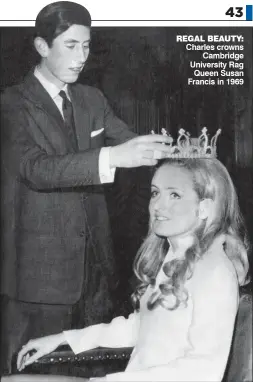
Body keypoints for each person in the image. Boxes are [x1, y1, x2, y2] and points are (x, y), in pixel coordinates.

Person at [0, 1, 173, 374]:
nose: (82, 57)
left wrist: (178, 152)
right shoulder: (12, 104)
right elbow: (36, 169)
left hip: (96, 272)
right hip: (39, 281)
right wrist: (111, 157)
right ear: (42, 47)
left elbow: (131, 142)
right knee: (37, 371)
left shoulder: (92, 99)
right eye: (71, 46)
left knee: (87, 369)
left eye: (87, 46)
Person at [16, 145, 250, 381]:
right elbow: (140, 329)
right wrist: (63, 339)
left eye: (174, 195)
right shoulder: (175, 257)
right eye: (155, 193)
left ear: (204, 208)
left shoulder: (215, 270)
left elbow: (204, 370)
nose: (158, 205)